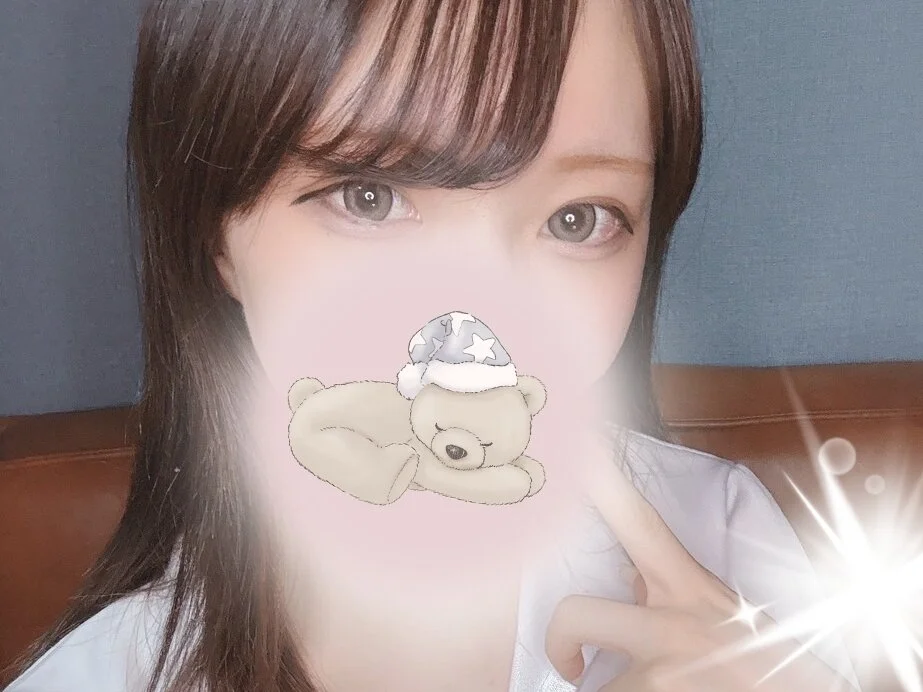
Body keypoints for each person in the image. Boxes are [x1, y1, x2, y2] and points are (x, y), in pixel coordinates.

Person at [5, 0, 862, 691]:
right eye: (369, 197)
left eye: (577, 220)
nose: (480, 325)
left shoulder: (723, 539)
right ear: (217, 236)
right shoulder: (109, 674)